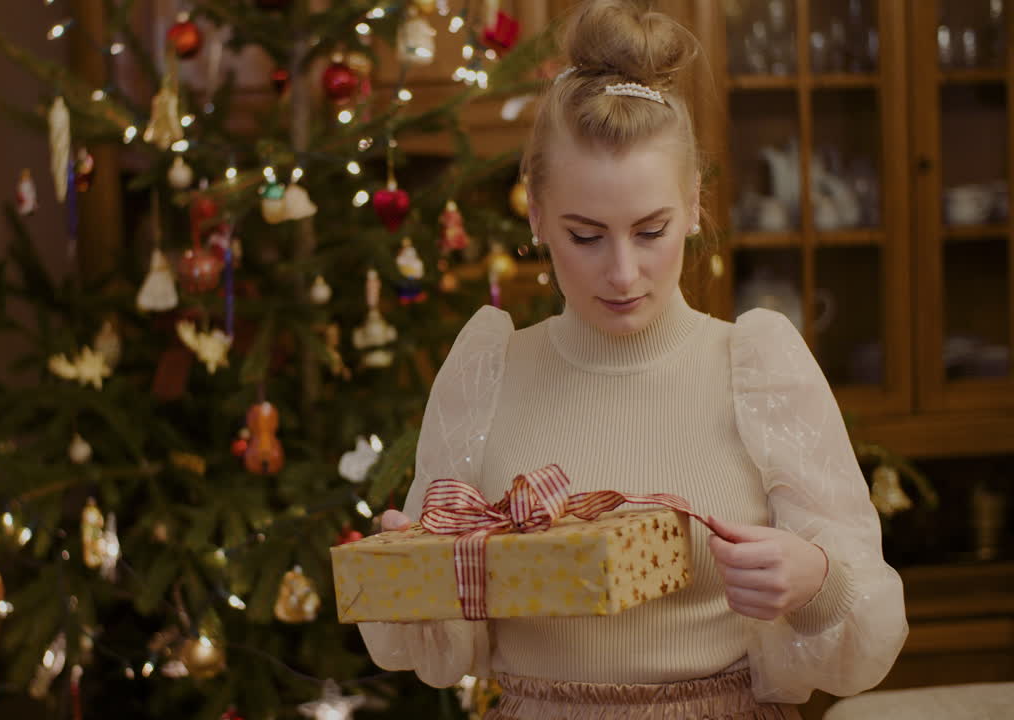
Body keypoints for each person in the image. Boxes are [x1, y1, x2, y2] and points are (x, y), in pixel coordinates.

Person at [357, 1, 907, 718]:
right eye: (585, 236)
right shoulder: (487, 371)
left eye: (652, 231)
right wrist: (413, 573)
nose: (623, 274)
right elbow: (434, 652)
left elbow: (868, 630)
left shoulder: (757, 366)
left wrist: (817, 581)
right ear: (536, 216)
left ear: (696, 204)